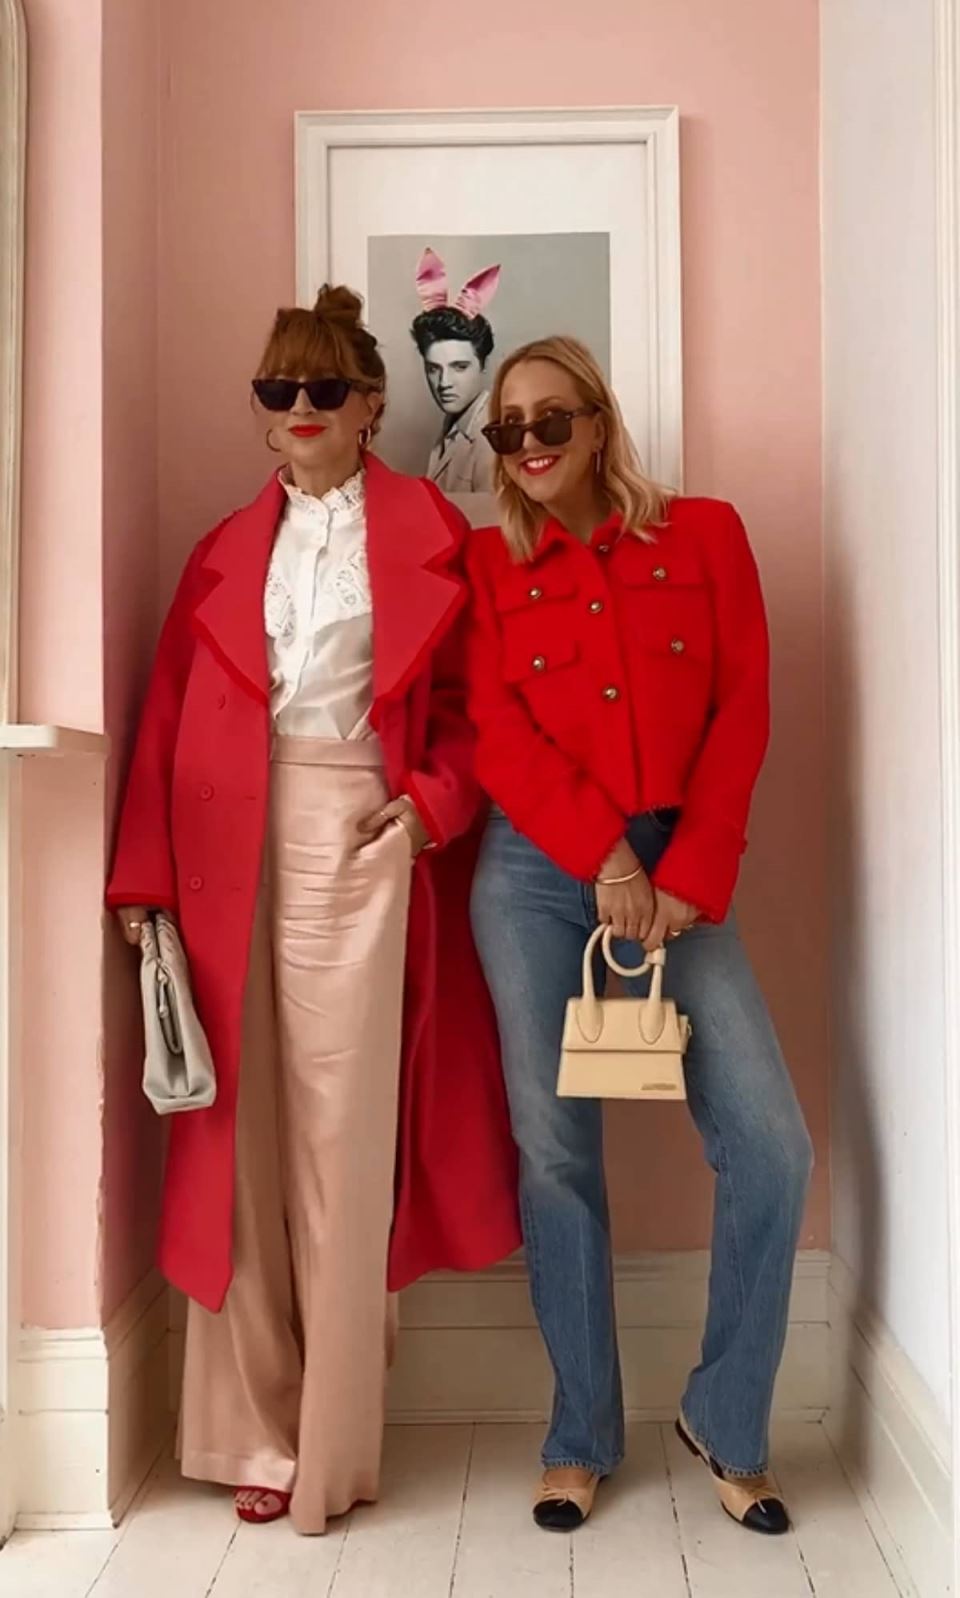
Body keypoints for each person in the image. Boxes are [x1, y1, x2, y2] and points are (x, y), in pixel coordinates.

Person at [107, 287, 520, 1535]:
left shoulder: (432, 532)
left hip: (361, 836)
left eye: (323, 389)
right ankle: (252, 1432)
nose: (298, 408)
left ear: (370, 404)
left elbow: (474, 712)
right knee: (236, 1141)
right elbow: (166, 719)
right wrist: (142, 885)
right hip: (222, 845)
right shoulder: (223, 549)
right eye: (276, 389)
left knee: (344, 1144)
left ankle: (332, 1441)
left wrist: (429, 808)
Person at [465, 335, 813, 1536]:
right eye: (508, 427)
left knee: (773, 1145)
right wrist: (604, 857)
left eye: (551, 417)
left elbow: (743, 705)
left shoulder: (706, 534)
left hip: (680, 874)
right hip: (535, 873)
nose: (530, 442)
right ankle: (580, 1434)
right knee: (555, 1152)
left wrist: (686, 873)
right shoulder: (486, 565)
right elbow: (495, 730)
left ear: (600, 421)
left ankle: (727, 1418)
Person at [410, 246, 501, 494]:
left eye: (459, 367)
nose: (444, 383)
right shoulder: (453, 426)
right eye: (433, 369)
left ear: (483, 364)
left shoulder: (491, 442)